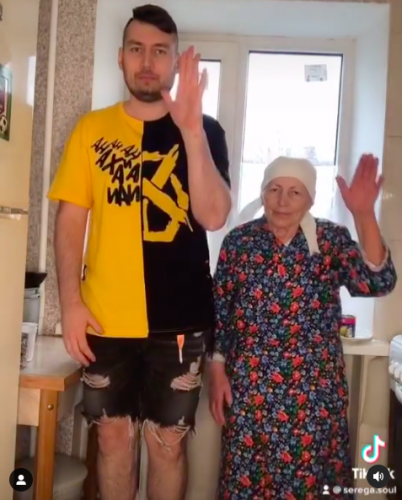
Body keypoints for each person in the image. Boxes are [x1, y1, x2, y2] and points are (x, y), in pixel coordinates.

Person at [48, 5, 231, 500]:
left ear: (175, 60)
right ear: (120, 57)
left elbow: (214, 215)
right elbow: (70, 221)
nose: (147, 62)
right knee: (111, 440)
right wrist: (70, 304)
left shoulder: (206, 130)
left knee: (168, 446)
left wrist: (191, 132)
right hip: (105, 321)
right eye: (136, 49)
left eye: (160, 51)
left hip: (180, 323)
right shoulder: (91, 130)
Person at [209, 154, 397, 500]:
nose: (283, 200)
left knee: (310, 484)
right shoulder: (239, 242)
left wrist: (363, 214)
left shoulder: (330, 239)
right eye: (274, 189)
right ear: (262, 193)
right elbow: (221, 310)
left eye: (295, 192)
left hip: (314, 393)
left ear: (310, 199)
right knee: (246, 481)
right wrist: (217, 369)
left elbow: (378, 282)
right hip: (250, 390)